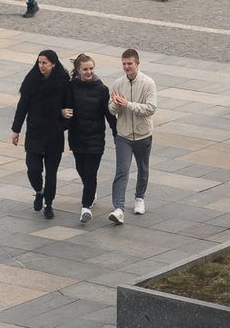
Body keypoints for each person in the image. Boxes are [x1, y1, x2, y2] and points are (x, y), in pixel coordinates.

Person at [12, 49, 73, 220]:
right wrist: (16, 130)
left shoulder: (62, 83)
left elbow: (69, 108)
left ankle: (49, 204)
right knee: (33, 169)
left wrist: (63, 124)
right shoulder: (31, 80)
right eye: (39, 62)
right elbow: (22, 106)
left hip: (54, 135)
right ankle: (39, 191)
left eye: (44, 62)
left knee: (51, 173)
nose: (41, 66)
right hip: (35, 134)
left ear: (53, 64)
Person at [107, 48, 157, 224]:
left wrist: (128, 104)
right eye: (124, 64)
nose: (126, 67)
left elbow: (150, 108)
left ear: (137, 64)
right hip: (124, 135)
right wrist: (115, 105)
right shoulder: (118, 84)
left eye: (130, 64)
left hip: (143, 134)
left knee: (143, 168)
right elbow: (111, 110)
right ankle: (118, 208)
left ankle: (139, 198)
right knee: (122, 170)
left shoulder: (148, 83)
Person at [67, 54, 114, 224]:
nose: (89, 72)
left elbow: (108, 115)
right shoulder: (71, 87)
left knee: (90, 172)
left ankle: (85, 208)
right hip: (77, 137)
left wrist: (116, 133)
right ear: (78, 70)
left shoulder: (101, 89)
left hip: (95, 139)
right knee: (81, 169)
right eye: (85, 69)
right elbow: (64, 107)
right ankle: (91, 192)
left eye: (91, 69)